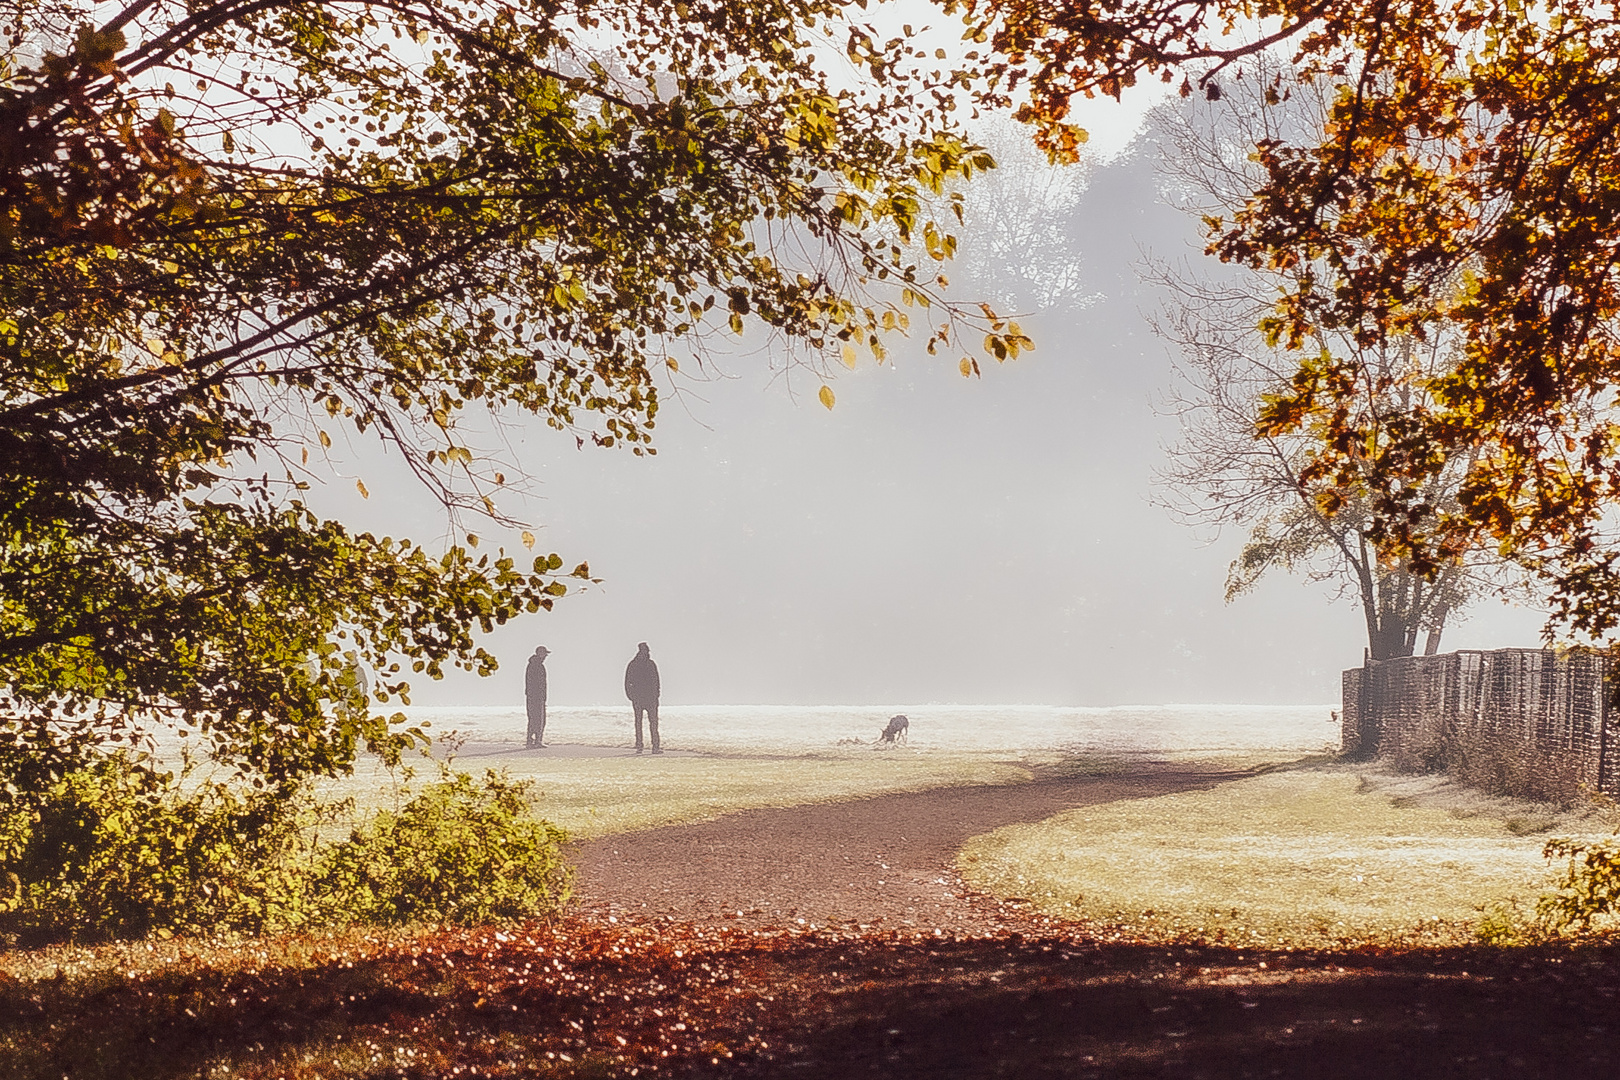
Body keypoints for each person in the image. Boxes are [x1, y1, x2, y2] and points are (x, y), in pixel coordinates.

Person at [624, 641, 661, 754]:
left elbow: (656, 681)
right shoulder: (636, 664)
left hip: (648, 698)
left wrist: (657, 694)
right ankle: (642, 745)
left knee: (650, 723)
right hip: (641, 698)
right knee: (643, 722)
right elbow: (627, 682)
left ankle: (653, 746)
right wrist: (631, 696)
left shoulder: (648, 664)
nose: (648, 652)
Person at [525, 646, 549, 748]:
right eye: (545, 654)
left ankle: (530, 740)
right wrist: (541, 697)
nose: (546, 656)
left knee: (533, 718)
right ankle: (537, 741)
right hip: (536, 696)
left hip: (532, 696)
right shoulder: (537, 665)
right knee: (539, 719)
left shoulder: (532, 664)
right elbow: (538, 684)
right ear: (540, 653)